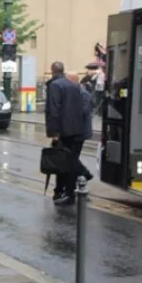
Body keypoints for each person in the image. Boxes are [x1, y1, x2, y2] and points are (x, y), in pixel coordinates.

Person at [44, 61, 86, 205]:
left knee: (62, 163)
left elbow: (53, 110)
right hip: (76, 130)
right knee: (70, 161)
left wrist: (54, 133)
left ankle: (66, 194)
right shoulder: (73, 86)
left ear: (52, 71)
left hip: (63, 131)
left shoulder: (55, 86)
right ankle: (68, 191)